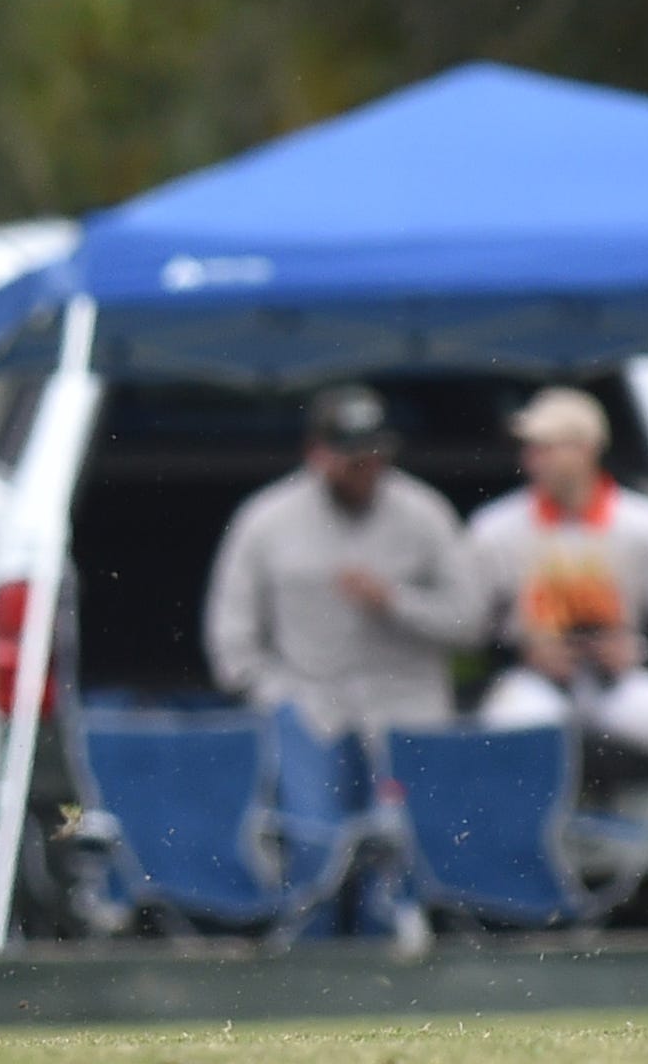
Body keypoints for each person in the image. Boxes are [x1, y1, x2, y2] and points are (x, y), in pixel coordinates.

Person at [202, 385, 484, 935]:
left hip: (405, 705)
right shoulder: (267, 518)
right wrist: (276, 694)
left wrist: (395, 601)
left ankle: (411, 975)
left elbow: (470, 623)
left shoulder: (424, 513)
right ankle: (314, 970)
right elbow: (231, 642)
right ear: (318, 453)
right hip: (311, 703)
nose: (364, 468)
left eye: (375, 456)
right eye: (351, 457)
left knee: (405, 851)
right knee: (314, 844)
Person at [465, 386, 648, 782]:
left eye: (546, 448)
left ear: (586, 449)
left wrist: (637, 651)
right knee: (507, 734)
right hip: (535, 682)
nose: (531, 460)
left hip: (620, 681)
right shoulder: (495, 529)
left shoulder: (645, 524)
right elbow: (469, 629)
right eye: (530, 448)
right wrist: (522, 653)